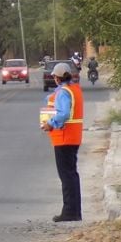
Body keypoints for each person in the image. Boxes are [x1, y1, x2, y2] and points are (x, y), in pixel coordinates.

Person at [40, 62, 84, 222]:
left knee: (66, 176)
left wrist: (50, 123)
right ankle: (74, 211)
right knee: (71, 175)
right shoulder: (75, 89)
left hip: (64, 137)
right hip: (73, 137)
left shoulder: (64, 92)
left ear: (57, 78)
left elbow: (63, 113)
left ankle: (70, 212)